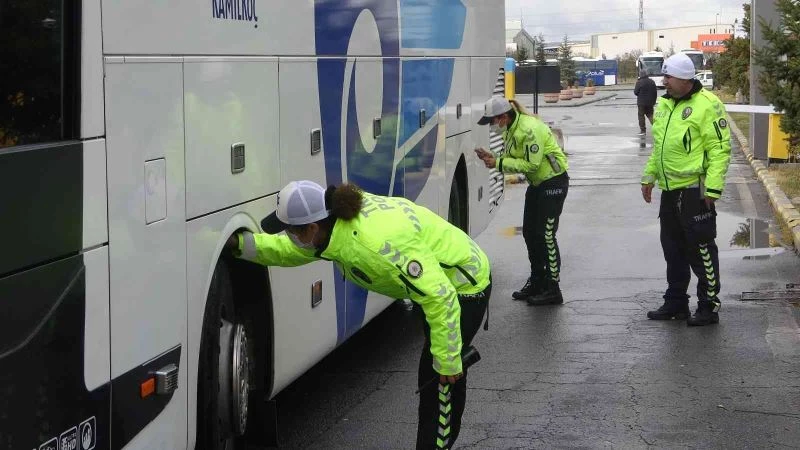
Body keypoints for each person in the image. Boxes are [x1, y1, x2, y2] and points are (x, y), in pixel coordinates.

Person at [224, 180, 492, 449]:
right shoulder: (336, 226)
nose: (289, 237)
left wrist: (447, 362)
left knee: (438, 380)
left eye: (291, 231)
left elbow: (441, 296)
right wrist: (240, 244)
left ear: (313, 228)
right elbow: (287, 250)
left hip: (464, 284)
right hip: (435, 285)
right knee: (442, 370)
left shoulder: (374, 247)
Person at [640, 52, 731, 326]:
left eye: (668, 77)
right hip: (670, 191)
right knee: (673, 249)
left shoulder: (708, 105)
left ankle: (708, 306)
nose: (664, 82)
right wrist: (649, 176)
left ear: (684, 79)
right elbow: (660, 146)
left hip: (695, 191)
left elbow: (719, 148)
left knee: (701, 249)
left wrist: (712, 188)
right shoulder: (666, 104)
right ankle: (676, 302)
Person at [474, 97, 569, 306]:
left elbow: (532, 165)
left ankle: (553, 288)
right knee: (529, 233)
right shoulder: (510, 128)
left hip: (553, 183)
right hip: (537, 185)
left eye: (492, 121)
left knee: (546, 236)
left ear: (503, 116)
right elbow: (510, 157)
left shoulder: (528, 130)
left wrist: (497, 163)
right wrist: (492, 157)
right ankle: (537, 281)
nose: (492, 126)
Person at [634, 69, 657, 135]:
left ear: (640, 75)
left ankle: (643, 131)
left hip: (641, 103)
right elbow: (655, 92)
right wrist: (654, 101)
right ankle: (658, 128)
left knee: (641, 116)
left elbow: (635, 92)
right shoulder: (652, 81)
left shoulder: (639, 82)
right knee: (650, 115)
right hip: (650, 102)